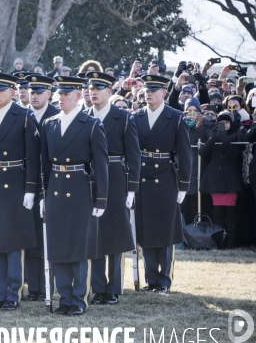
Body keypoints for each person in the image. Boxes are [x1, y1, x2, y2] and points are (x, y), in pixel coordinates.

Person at [40, 75, 109, 316]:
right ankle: (64, 297)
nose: (61, 98)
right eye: (59, 94)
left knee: (80, 248)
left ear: (78, 96)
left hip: (80, 190)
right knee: (59, 247)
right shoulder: (49, 124)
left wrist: (101, 199)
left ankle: (79, 299)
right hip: (56, 189)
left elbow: (101, 164)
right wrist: (43, 195)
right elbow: (44, 166)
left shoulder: (90, 124)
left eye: (66, 94)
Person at [0, 72, 40, 312]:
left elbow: (33, 157)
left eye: (1, 89)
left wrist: (30, 190)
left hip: (15, 183)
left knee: (13, 244)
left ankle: (13, 294)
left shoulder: (23, 117)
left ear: (12, 92)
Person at [85, 71, 141, 305]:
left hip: (116, 177)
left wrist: (131, 189)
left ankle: (114, 288)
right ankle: (98, 288)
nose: (93, 92)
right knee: (95, 234)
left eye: (99, 88)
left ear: (109, 92)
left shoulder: (123, 117)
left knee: (115, 236)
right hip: (90, 179)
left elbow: (134, 155)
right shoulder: (84, 116)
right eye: (91, 88)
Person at [134, 74, 191, 293]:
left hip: (166, 179)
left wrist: (183, 185)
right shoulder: (137, 116)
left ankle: (164, 280)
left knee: (165, 232)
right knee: (146, 232)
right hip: (142, 179)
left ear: (163, 93)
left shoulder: (175, 117)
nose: (149, 94)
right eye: (147, 91)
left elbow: (185, 154)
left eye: (153, 91)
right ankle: (151, 279)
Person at [23, 74, 59, 302]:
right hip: (25, 182)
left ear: (48, 94)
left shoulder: (56, 116)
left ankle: (48, 285)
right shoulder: (21, 115)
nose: (34, 96)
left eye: (38, 92)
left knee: (49, 236)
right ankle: (33, 286)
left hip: (50, 183)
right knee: (30, 235)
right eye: (31, 92)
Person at [199, 110, 244, 249]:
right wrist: (213, 138)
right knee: (217, 212)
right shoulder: (212, 134)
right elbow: (202, 152)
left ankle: (230, 242)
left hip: (230, 180)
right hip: (215, 179)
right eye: (221, 122)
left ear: (231, 124)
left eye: (227, 122)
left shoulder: (237, 136)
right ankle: (218, 242)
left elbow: (233, 155)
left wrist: (224, 138)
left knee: (231, 213)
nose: (224, 125)